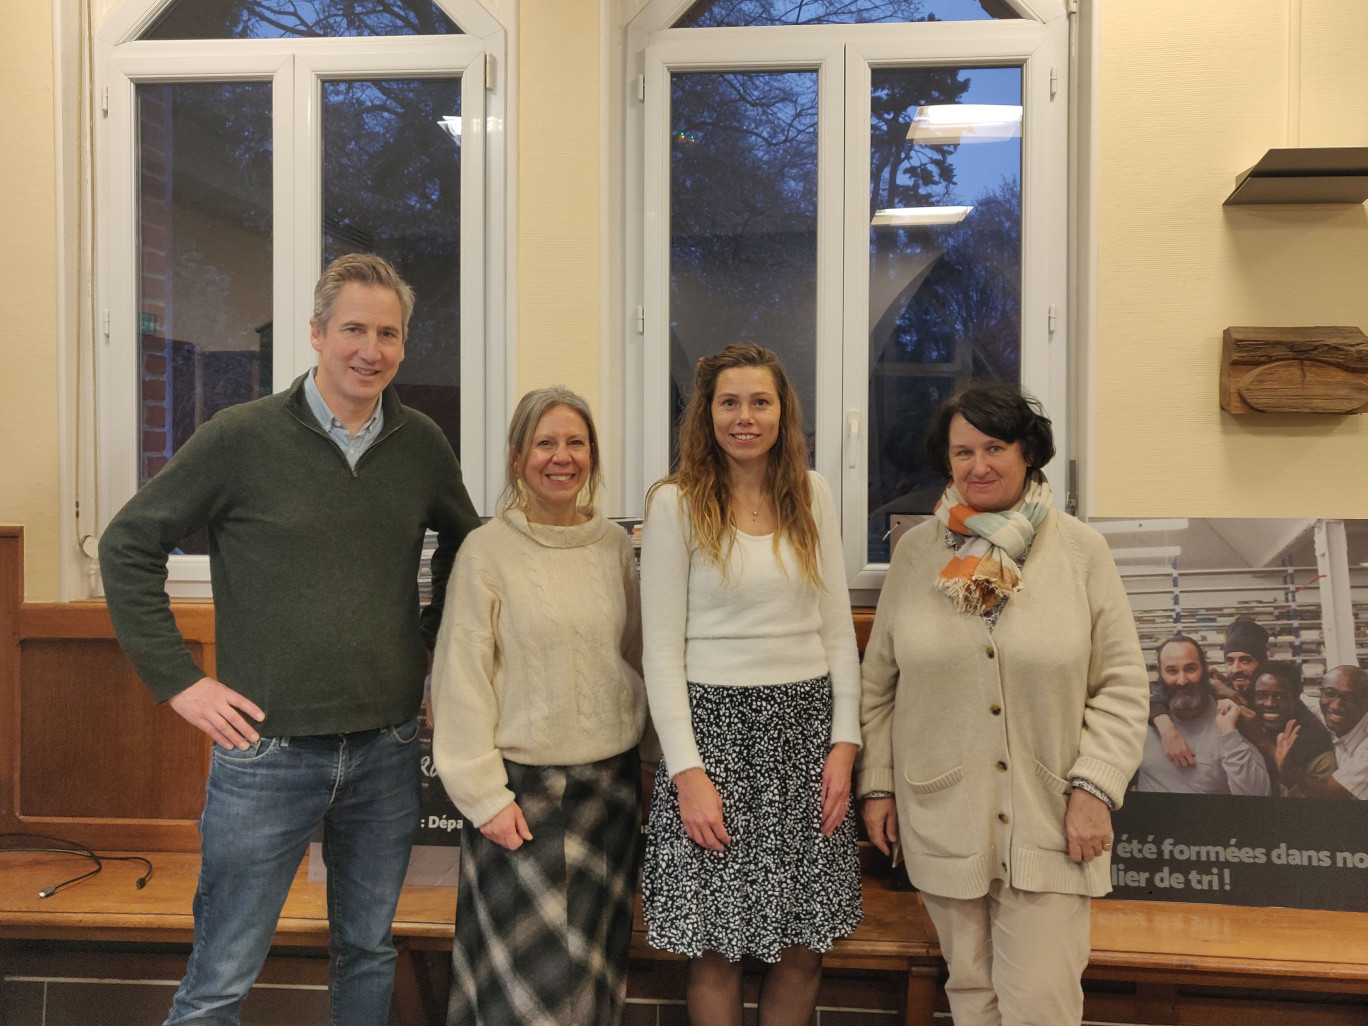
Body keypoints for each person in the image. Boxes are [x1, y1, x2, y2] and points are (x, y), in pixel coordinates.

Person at [98, 253, 481, 1026]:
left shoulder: (422, 445)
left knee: (368, 952)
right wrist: (180, 680)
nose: (369, 349)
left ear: (404, 345)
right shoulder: (240, 437)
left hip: (386, 747)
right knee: (222, 974)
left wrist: (431, 642)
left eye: (387, 333)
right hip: (265, 755)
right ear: (315, 333)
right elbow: (127, 545)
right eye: (352, 329)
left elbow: (469, 548)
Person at [858, 380, 1148, 1026]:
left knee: (1040, 1005)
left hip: (1052, 820)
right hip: (943, 815)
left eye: (995, 447)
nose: (978, 465)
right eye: (963, 452)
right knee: (971, 997)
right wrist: (877, 786)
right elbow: (878, 687)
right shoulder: (916, 554)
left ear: (1028, 453)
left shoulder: (1079, 551)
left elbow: (1123, 684)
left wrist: (1094, 790)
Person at [640, 344, 863, 1026]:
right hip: (714, 739)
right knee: (715, 947)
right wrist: (688, 774)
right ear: (706, 415)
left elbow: (834, 629)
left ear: (781, 412)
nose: (745, 417)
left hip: (805, 736)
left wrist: (845, 743)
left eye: (759, 402)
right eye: (729, 403)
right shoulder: (675, 504)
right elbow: (659, 652)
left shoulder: (813, 494)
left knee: (801, 946)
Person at [430, 387, 646, 1025]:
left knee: (592, 978)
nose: (562, 457)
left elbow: (632, 656)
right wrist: (484, 797)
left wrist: (657, 762)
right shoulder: (486, 552)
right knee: (522, 991)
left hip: (610, 793)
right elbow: (459, 680)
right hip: (520, 801)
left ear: (593, 455)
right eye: (546, 443)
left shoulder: (612, 546)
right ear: (518, 456)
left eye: (576, 443)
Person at [1133, 636, 1272, 795]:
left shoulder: (1232, 719)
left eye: (1190, 669)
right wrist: (1165, 726)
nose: (1182, 680)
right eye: (1172, 671)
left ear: (1205, 669)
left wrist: (1229, 734)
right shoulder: (1140, 720)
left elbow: (1259, 795)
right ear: (1160, 674)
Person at [1149, 617, 1270, 770]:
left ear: (1263, 663)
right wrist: (1165, 726)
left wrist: (1262, 740)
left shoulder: (1278, 698)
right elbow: (1153, 690)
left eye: (1246, 660)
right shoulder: (1217, 691)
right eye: (1230, 661)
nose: (1235, 669)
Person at [1250, 661, 1334, 796]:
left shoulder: (1319, 752)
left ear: (1295, 700)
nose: (1269, 703)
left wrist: (1290, 775)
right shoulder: (1251, 727)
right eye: (1261, 695)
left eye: (1279, 696)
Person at [1297, 665, 1368, 799]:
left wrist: (1286, 766)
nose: (1335, 706)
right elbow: (1294, 699)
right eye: (1330, 694)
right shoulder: (1330, 713)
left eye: (1350, 698)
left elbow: (1326, 793)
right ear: (1321, 692)